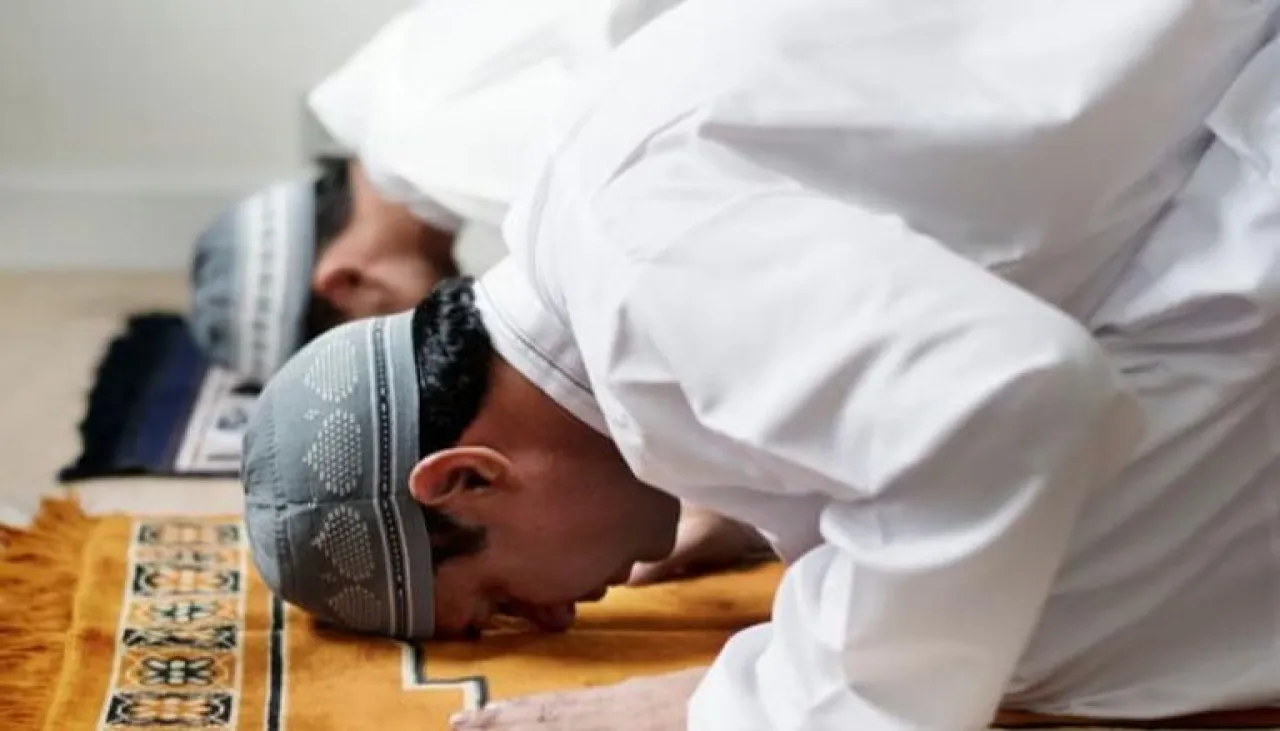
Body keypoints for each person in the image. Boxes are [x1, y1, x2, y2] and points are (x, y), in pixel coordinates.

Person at [241, 1, 1280, 729]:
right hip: (1211, 101)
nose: (557, 618)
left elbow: (1011, 398)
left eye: (505, 598)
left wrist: (747, 705)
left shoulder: (638, 279)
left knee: (1036, 626)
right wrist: (751, 500)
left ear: (466, 477)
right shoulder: (574, 215)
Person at [188, 0, 684, 384]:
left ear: (344, 283)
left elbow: (670, 216)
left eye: (393, 342)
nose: (429, 340)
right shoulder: (396, 93)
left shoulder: (440, 149)